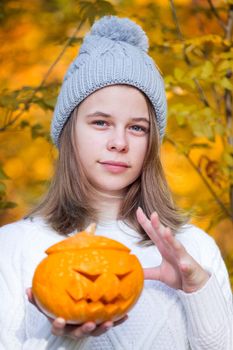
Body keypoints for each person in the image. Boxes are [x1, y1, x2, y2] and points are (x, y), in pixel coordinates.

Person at [0, 15, 232, 350]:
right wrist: (62, 338)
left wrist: (197, 288)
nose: (119, 142)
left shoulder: (194, 249)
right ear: (69, 131)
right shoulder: (12, 248)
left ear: (151, 141)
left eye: (137, 127)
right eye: (100, 122)